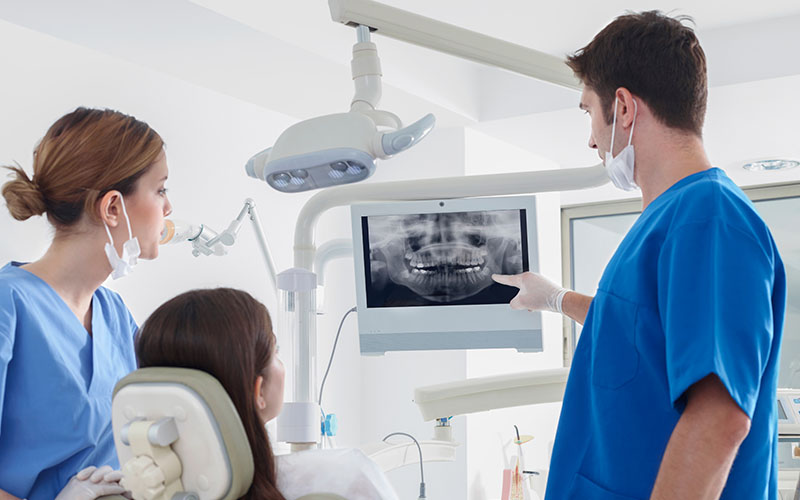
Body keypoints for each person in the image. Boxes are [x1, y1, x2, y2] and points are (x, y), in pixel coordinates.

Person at [492, 11, 786, 500]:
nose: (590, 138)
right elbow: (639, 334)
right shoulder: (674, 219)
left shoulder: (709, 217)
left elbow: (719, 416)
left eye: (589, 111)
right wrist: (555, 298)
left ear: (623, 108)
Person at [0, 108, 172, 499]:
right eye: (160, 190)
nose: (168, 209)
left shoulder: (114, 314)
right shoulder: (9, 304)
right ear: (113, 208)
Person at [136, 287, 399, 500]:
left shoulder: (127, 489)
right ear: (258, 390)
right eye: (276, 351)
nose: (281, 364)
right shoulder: (341, 479)